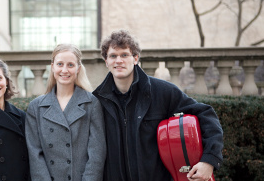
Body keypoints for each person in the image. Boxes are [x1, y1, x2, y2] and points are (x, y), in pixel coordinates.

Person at [92, 29, 224, 181]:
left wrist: (209, 160)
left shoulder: (162, 91)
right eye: (113, 56)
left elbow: (205, 114)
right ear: (106, 61)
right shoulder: (97, 100)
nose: (118, 60)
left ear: (135, 58)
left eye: (124, 55)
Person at [25, 44, 106, 181]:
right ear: (52, 67)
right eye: (60, 64)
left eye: (70, 65)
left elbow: (96, 153)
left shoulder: (91, 103)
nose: (64, 70)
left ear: (78, 69)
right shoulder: (36, 107)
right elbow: (35, 154)